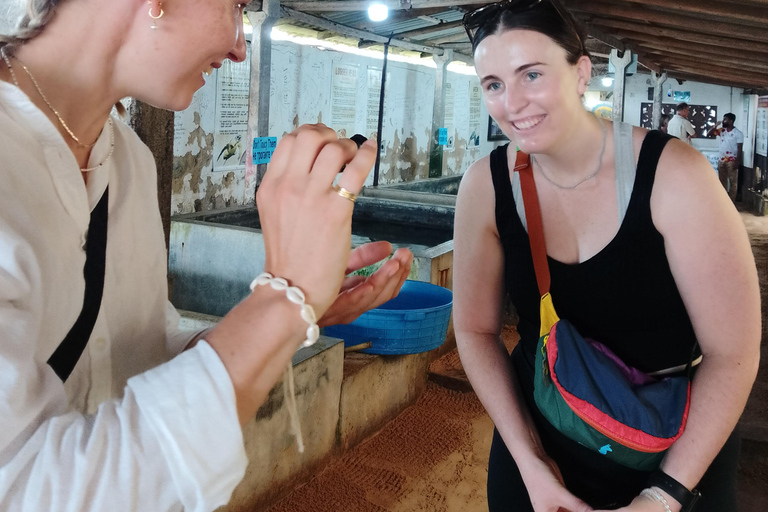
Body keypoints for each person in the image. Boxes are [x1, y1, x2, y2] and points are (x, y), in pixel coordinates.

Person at [0, 1, 413, 511]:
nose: (241, 46)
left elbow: (141, 349)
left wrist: (283, 314)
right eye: (237, 5)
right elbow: (22, 485)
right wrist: (282, 303)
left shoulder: (129, 160)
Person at [454, 1, 760, 512]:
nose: (513, 103)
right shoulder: (484, 186)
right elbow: (475, 330)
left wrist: (663, 497)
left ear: (581, 72)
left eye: (531, 74)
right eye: (493, 84)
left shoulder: (674, 177)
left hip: (672, 442)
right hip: (543, 427)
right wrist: (529, 462)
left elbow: (733, 354)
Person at [707, 113, 744, 202]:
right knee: (721, 181)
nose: (723, 121)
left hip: (732, 161)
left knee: (732, 182)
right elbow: (709, 134)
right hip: (721, 160)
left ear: (731, 121)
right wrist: (715, 126)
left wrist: (737, 162)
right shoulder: (722, 131)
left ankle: (731, 202)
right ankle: (723, 201)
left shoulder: (738, 133)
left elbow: (739, 148)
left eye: (725, 119)